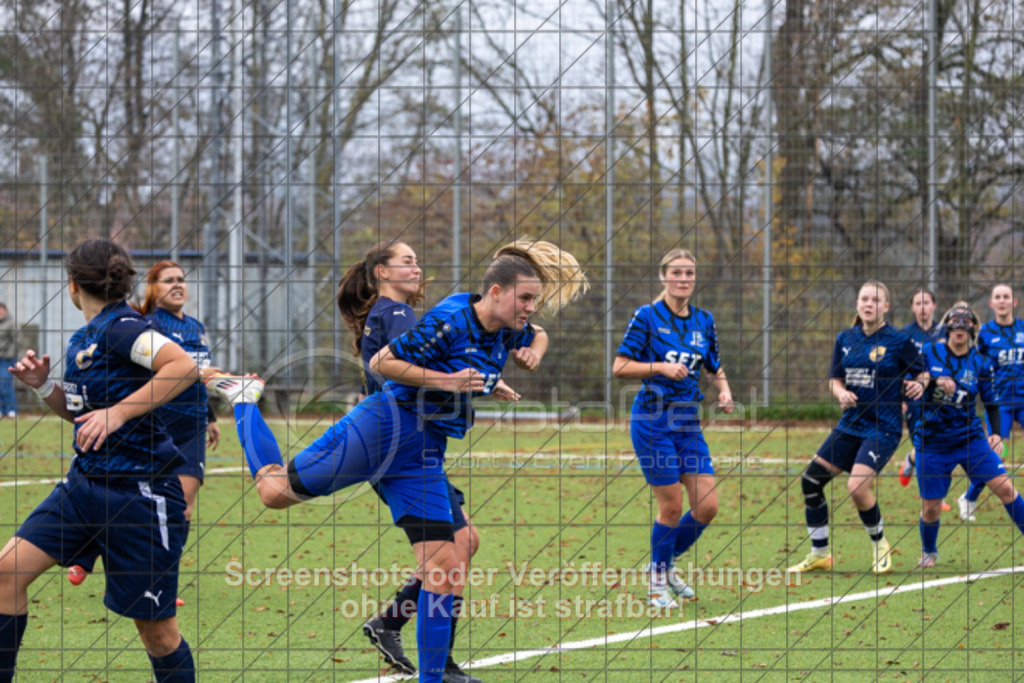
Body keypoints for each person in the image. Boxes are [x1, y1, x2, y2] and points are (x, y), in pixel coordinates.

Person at [206, 239, 587, 683]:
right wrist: (449, 380)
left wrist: (530, 355)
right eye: (525, 299)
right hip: (383, 427)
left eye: (534, 301)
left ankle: (431, 673)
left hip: (423, 450)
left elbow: (535, 335)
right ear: (496, 292)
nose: (530, 309)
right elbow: (384, 362)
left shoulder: (503, 326)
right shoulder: (451, 319)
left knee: (446, 561)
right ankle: (246, 400)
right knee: (273, 493)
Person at [2, 238, 199, 681]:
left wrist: (120, 412)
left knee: (157, 633)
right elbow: (82, 417)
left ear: (72, 285)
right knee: (6, 574)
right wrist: (42, 387)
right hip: (84, 487)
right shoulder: (85, 338)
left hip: (140, 498)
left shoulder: (123, 327)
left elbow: (182, 367)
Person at [334, 241, 480, 682]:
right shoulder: (395, 314)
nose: (417, 266)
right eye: (406, 260)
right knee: (450, 556)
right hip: (400, 451)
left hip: (410, 448)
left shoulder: (391, 314)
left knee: (465, 542)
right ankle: (441, 666)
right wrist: (460, 379)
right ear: (380, 272)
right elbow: (408, 370)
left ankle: (391, 624)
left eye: (419, 259)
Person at [66, 261, 224, 593]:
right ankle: (90, 547)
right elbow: (164, 372)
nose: (178, 285)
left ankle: (163, 581)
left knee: (185, 503)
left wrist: (209, 415)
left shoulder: (195, 326)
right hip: (159, 423)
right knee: (132, 501)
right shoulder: (145, 325)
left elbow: (196, 373)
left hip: (192, 423)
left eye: (182, 280)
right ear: (152, 287)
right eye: (169, 281)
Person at [612, 248, 733, 608]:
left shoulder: (703, 320)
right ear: (663, 276)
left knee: (707, 505)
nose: (683, 279)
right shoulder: (647, 317)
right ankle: (656, 581)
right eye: (677, 273)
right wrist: (659, 368)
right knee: (671, 505)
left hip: (687, 423)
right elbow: (619, 366)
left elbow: (713, 365)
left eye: (689, 273)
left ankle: (663, 566)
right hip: (652, 421)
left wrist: (724, 389)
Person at [789, 281, 926, 575]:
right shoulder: (845, 338)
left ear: (886, 307)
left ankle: (879, 544)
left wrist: (919, 384)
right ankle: (820, 553)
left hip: (883, 428)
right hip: (850, 424)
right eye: (864, 299)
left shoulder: (899, 341)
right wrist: (840, 393)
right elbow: (835, 379)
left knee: (857, 486)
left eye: (875, 300)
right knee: (811, 481)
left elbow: (923, 373)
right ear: (857, 304)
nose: (869, 304)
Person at [912, 304, 1024, 567]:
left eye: (966, 323)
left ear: (974, 329)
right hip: (932, 443)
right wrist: (932, 380)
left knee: (1006, 488)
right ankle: (929, 552)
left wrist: (996, 433)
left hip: (970, 439)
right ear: (947, 327)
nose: (959, 327)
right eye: (954, 322)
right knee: (931, 508)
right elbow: (913, 381)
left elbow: (992, 403)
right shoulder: (930, 353)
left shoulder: (981, 363)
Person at [957, 284, 1024, 521]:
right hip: (1000, 404)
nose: (1003, 300)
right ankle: (968, 498)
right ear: (992, 303)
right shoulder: (984, 334)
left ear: (1014, 302)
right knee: (995, 455)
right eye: (998, 297)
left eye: (1007, 296)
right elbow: (975, 366)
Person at [898, 289, 948, 502]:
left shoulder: (945, 332)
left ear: (934, 306)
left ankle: (911, 462)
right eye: (918, 303)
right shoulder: (904, 335)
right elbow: (897, 369)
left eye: (926, 302)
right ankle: (933, 494)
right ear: (912, 307)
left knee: (940, 442)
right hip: (915, 396)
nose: (922, 307)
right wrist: (900, 398)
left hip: (940, 395)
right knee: (923, 442)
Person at [0, 303, 19, 418]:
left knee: (5, 383)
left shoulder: (11, 323)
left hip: (7, 359)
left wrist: (9, 354)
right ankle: (1, 410)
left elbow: (17, 340)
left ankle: (11, 409)